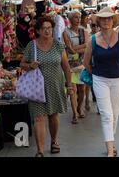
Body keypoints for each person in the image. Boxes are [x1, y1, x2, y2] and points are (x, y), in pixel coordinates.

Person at [20, 16, 74, 157]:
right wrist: (30, 65)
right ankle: (40, 150)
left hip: (55, 85)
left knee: (53, 115)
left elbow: (66, 67)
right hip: (37, 88)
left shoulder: (58, 45)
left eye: (49, 28)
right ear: (38, 30)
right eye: (43, 28)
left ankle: (54, 141)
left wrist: (69, 85)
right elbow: (22, 64)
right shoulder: (31, 46)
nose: (47, 31)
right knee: (38, 118)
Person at [83, 7, 119, 157]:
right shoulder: (93, 39)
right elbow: (86, 62)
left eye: (109, 18)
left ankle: (111, 141)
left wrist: (118, 70)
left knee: (114, 113)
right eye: (103, 18)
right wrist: (96, 75)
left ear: (112, 21)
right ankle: (110, 151)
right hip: (100, 79)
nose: (106, 21)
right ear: (99, 21)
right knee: (106, 114)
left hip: (118, 79)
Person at [63, 11, 90, 123]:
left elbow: (87, 47)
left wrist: (76, 48)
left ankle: (80, 107)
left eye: (79, 17)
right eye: (75, 17)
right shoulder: (65, 32)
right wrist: (81, 47)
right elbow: (69, 49)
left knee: (82, 89)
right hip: (69, 64)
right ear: (70, 19)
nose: (78, 19)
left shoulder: (84, 31)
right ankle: (75, 113)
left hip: (82, 63)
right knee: (72, 89)